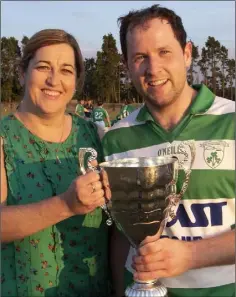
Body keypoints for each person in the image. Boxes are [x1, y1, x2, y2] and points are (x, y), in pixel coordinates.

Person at [102, 4, 235, 297]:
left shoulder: (232, 122)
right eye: (140, 57)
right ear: (126, 66)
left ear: (187, 53)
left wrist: (190, 256)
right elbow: (122, 235)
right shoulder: (116, 139)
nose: (153, 69)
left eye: (164, 52)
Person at [0, 29, 112, 297]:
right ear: (22, 72)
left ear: (76, 81)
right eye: (43, 67)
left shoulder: (95, 136)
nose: (54, 80)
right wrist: (65, 205)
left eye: (66, 70)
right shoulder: (3, 139)